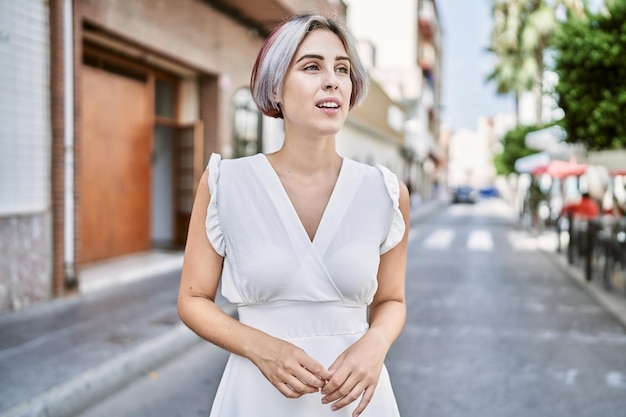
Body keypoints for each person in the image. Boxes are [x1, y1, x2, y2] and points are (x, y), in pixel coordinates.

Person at [177, 13, 410, 417]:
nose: (333, 80)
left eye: (342, 69)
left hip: (354, 402)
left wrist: (375, 345)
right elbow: (193, 299)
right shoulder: (225, 183)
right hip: (255, 396)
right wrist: (259, 346)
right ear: (276, 87)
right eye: (312, 66)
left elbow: (392, 299)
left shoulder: (386, 192)